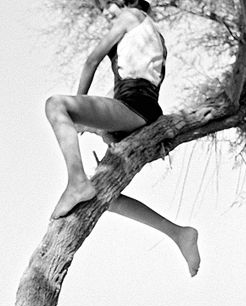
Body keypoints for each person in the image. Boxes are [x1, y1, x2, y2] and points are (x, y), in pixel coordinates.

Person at [45, 0, 200, 276]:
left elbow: (92, 59)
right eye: (101, 10)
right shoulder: (155, 36)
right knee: (105, 196)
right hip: (140, 108)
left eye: (108, 4)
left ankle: (76, 182)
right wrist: (94, 123)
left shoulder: (131, 16)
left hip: (136, 107)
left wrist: (80, 109)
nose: (106, 13)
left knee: (56, 105)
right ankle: (178, 233)